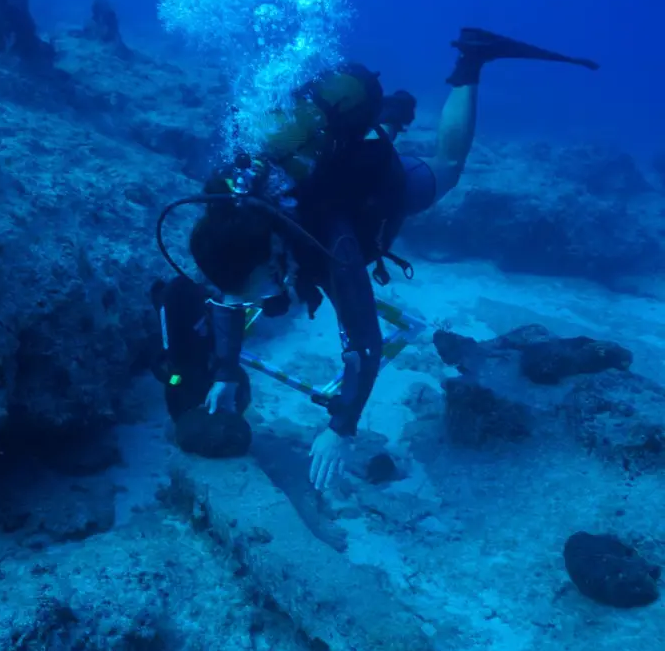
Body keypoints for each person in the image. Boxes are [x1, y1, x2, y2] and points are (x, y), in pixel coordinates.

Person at [155, 28, 599, 490]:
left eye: (264, 287)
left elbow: (365, 343)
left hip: (369, 192)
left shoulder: (332, 244)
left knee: (446, 170)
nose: (268, 297)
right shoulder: (230, 207)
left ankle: (471, 64)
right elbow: (228, 297)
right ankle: (388, 118)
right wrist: (226, 372)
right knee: (358, 156)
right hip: (336, 172)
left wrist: (340, 429)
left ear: (272, 257)